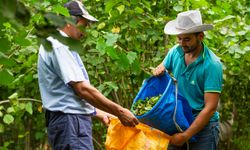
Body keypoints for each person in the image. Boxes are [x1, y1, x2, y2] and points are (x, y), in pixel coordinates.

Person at [37, 0, 139, 149]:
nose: (85, 32)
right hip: (70, 124)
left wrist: (99, 113)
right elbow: (82, 89)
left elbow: (66, 95)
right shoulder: (59, 46)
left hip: (69, 122)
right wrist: (120, 111)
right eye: (83, 25)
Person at [153, 10, 223, 150]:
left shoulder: (212, 65)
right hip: (178, 121)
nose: (182, 43)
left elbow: (210, 108)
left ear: (200, 36)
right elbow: (162, 67)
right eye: (179, 38)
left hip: (204, 127)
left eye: (187, 39)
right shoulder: (176, 51)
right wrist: (159, 69)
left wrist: (185, 136)